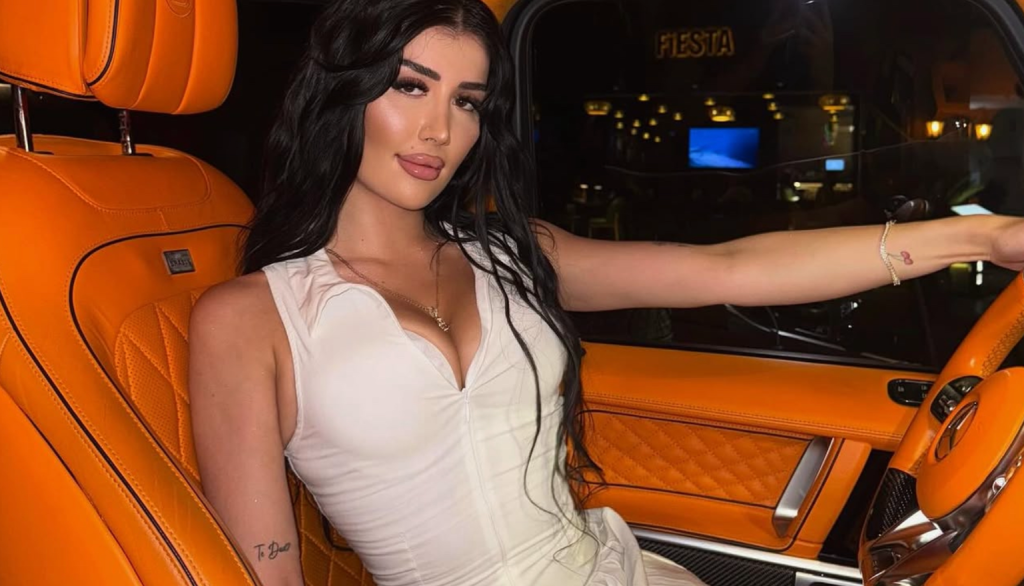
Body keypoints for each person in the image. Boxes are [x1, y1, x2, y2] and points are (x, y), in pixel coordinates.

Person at [187, 0, 1024, 584]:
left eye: (468, 102)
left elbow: (728, 269)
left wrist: (982, 238)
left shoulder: (512, 254)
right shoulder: (250, 319)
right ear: (343, 94)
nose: (440, 130)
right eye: (411, 86)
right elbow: (266, 573)